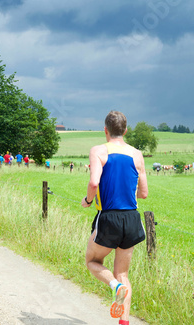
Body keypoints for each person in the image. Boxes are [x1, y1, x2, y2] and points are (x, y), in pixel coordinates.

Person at [81, 110, 148, 323]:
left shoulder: (99, 150)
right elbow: (144, 193)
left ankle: (115, 286)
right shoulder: (137, 154)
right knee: (123, 274)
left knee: (92, 260)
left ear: (105, 130)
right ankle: (124, 320)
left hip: (109, 217)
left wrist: (89, 200)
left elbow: (94, 182)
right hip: (131, 218)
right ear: (125, 131)